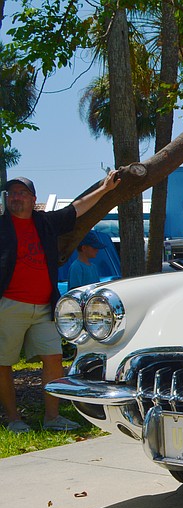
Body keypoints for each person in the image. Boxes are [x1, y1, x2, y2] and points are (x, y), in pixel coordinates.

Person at [0, 171, 121, 433]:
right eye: (12, 193)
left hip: (45, 307)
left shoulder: (44, 223)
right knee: (3, 363)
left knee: (54, 359)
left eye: (22, 193)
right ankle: (13, 420)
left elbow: (75, 210)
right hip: (8, 305)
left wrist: (105, 188)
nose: (16, 198)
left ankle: (52, 417)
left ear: (34, 199)